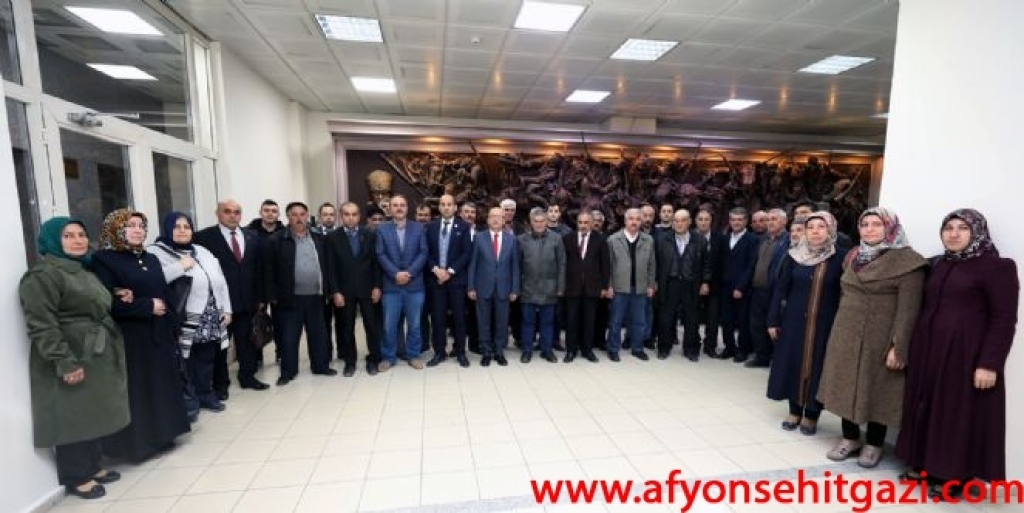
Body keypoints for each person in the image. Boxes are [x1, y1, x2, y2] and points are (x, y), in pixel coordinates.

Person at [895, 209, 1019, 500]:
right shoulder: (937, 264)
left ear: (977, 232)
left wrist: (990, 364)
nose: (953, 234)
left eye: (962, 228)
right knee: (926, 406)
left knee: (955, 413)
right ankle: (923, 464)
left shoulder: (996, 267)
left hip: (965, 355)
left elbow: (1004, 319)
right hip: (927, 350)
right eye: (948, 228)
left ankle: (953, 475)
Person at [19, 217, 129, 499]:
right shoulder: (43, 275)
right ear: (53, 240)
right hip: (73, 351)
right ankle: (76, 475)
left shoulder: (81, 268)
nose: (78, 240)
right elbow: (42, 324)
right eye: (68, 236)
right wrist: (64, 361)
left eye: (81, 234)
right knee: (73, 414)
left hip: (95, 352)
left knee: (93, 410)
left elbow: (87, 301)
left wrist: (114, 294)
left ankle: (92, 465)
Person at [818, 207, 927, 468]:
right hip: (846, 332)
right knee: (845, 384)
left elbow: (909, 310)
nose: (869, 229)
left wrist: (898, 347)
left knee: (879, 389)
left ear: (890, 227)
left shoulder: (909, 262)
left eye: (876, 224)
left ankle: (874, 443)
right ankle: (850, 438)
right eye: (864, 224)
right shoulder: (853, 256)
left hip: (881, 336)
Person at [91, 209, 190, 462]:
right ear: (116, 230)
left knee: (160, 385)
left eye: (141, 226)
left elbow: (163, 292)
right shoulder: (104, 260)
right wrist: (146, 306)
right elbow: (106, 302)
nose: (138, 230)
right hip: (131, 338)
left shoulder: (150, 258)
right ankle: (139, 446)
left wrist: (174, 326)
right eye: (131, 225)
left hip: (159, 333)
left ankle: (163, 436)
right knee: (139, 390)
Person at [766, 211, 847, 436]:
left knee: (817, 366)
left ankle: (811, 414)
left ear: (831, 230)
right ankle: (794, 410)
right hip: (793, 323)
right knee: (793, 363)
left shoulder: (840, 258)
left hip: (824, 324)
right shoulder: (794, 256)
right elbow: (780, 289)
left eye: (821, 227)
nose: (815, 231)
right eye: (810, 227)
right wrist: (773, 319)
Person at [151, 212, 233, 413]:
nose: (182, 231)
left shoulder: (202, 251)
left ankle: (205, 394)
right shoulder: (155, 252)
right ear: (167, 229)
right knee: (184, 361)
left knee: (206, 358)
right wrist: (179, 266)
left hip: (210, 315)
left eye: (186, 227)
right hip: (182, 318)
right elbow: (153, 280)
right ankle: (188, 401)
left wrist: (227, 309)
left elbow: (221, 282)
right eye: (177, 226)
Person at [193, 200, 269, 391]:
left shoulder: (252, 236)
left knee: (247, 343)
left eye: (237, 212)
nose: (232, 215)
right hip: (220, 305)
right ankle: (221, 384)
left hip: (248, 302)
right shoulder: (203, 237)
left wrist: (261, 298)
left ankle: (247, 377)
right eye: (227, 211)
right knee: (220, 345)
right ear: (217, 213)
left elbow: (259, 269)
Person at [263, 202, 336, 385]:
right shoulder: (277, 240)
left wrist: (329, 290)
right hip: (289, 298)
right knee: (289, 338)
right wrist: (272, 296)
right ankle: (288, 372)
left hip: (316, 296)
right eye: (294, 215)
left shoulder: (319, 238)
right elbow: (268, 270)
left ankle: (320, 366)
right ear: (288, 217)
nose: (298, 218)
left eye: (302, 214)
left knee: (318, 335)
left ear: (307, 216)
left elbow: (328, 266)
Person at [325, 202, 383, 377]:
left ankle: (373, 360)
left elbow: (376, 264)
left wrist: (377, 286)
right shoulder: (332, 237)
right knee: (346, 328)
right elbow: (330, 268)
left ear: (359, 216)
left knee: (372, 327)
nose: (351, 218)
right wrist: (335, 291)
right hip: (344, 291)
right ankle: (350, 362)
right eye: (347, 214)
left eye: (354, 214)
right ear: (341, 216)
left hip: (368, 289)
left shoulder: (369, 234)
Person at [375, 194, 429, 370]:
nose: (399, 208)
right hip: (391, 285)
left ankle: (413, 355)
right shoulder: (382, 229)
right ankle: (388, 357)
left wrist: (409, 273)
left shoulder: (418, 228)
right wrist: (395, 274)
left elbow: (423, 253)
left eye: (402, 205)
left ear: (407, 208)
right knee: (389, 325)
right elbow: (380, 254)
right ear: (389, 209)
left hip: (415, 286)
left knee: (414, 324)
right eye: (395, 205)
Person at [654, 209, 711, 361]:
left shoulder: (700, 240)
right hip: (669, 283)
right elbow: (656, 263)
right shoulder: (663, 240)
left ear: (690, 222)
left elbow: (707, 264)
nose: (679, 224)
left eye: (683, 220)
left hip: (691, 284)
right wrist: (655, 281)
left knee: (691, 318)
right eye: (676, 221)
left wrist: (705, 282)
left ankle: (690, 350)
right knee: (666, 318)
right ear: (673, 223)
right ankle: (664, 348)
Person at [468, 207, 520, 367]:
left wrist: (515, 289)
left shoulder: (512, 239)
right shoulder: (479, 238)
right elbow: (473, 264)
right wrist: (471, 287)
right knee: (483, 322)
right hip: (482, 287)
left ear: (504, 220)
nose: (496, 219)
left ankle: (499, 351)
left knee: (502, 322)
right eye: (493, 216)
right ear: (488, 220)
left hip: (504, 288)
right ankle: (486, 352)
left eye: (499, 217)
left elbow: (515, 266)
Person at [425, 194, 471, 367]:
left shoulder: (464, 226)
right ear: (439, 207)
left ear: (455, 207)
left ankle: (460, 352)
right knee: (438, 318)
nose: (446, 207)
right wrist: (436, 270)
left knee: (459, 317)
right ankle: (439, 352)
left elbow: (466, 253)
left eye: (449, 204)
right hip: (436, 280)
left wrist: (450, 271)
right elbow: (425, 252)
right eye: (442, 204)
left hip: (456, 280)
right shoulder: (430, 227)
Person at [605, 208, 656, 362]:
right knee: (616, 321)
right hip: (619, 287)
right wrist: (609, 286)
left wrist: (651, 285)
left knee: (639, 321)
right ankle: (613, 349)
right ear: (625, 221)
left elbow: (652, 264)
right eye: (631, 219)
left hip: (640, 288)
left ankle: (637, 348)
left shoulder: (648, 240)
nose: (634, 222)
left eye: (637, 219)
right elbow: (608, 266)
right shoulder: (613, 240)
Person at [517, 207, 566, 363]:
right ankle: (527, 351)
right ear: (531, 222)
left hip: (549, 287)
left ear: (546, 222)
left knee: (547, 322)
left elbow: (562, 264)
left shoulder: (557, 239)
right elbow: (517, 266)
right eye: (536, 221)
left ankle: (547, 350)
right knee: (527, 322)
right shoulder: (521, 240)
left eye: (542, 221)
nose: (539, 224)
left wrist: (560, 286)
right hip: (528, 287)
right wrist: (517, 287)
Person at [563, 211, 609, 363]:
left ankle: (587, 350)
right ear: (577, 223)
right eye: (580, 222)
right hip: (572, 287)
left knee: (589, 321)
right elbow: (563, 264)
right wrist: (562, 285)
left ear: (591, 223)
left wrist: (604, 287)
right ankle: (571, 350)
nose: (583, 225)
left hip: (592, 287)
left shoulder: (600, 240)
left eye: (586, 223)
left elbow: (605, 265)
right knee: (571, 320)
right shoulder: (568, 239)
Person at [746, 208, 789, 368]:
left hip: (775, 291)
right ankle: (761, 357)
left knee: (774, 326)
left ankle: (777, 359)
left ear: (784, 222)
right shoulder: (763, 240)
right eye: (769, 219)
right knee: (757, 325)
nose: (770, 222)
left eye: (774, 219)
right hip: (758, 290)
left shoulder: (788, 241)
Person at [717, 207, 759, 362]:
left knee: (742, 320)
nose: (736, 223)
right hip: (725, 286)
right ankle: (729, 347)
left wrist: (741, 287)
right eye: (733, 220)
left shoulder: (752, 240)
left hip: (742, 288)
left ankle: (742, 349)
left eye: (740, 220)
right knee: (726, 319)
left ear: (746, 221)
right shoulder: (725, 238)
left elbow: (751, 266)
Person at [695, 208, 726, 357]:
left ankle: (710, 346)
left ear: (711, 221)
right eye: (700, 219)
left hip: (714, 286)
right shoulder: (690, 237)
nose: (703, 222)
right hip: (693, 285)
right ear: (695, 221)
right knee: (693, 317)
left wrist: (709, 282)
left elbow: (722, 262)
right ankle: (694, 343)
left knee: (712, 318)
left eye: (706, 219)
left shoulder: (720, 238)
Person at [460, 202, 484, 354]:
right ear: (460, 214)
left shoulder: (483, 233)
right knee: (458, 314)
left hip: (477, 280)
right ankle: (458, 347)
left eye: (472, 212)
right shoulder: (455, 230)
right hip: (458, 278)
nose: (469, 215)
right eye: (466, 212)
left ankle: (475, 344)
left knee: (476, 314)